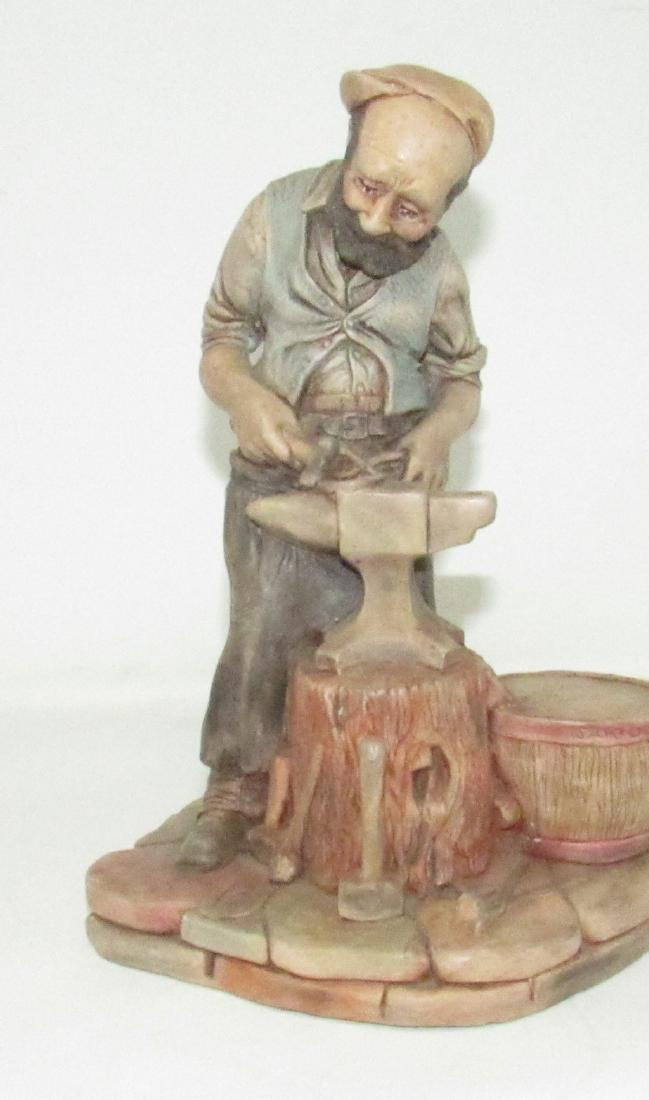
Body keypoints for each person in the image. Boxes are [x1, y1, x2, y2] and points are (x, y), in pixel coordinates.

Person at [179, 64, 494, 868]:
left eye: (411, 209)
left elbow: (461, 375)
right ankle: (237, 785)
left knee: (392, 644)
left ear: (447, 206)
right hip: (282, 460)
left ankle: (382, 800)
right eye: (367, 186)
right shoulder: (273, 215)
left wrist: (436, 434)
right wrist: (245, 399)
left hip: (389, 469)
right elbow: (221, 335)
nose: (378, 218)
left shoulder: (438, 268)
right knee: (261, 629)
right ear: (348, 150)